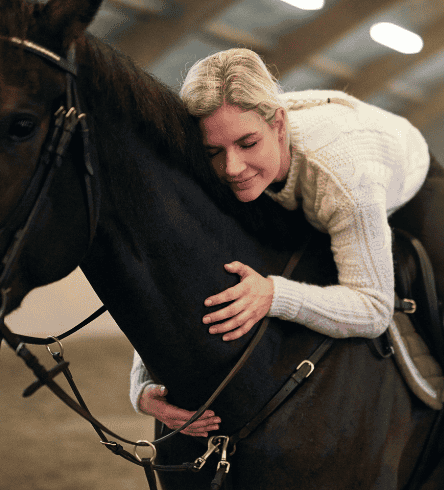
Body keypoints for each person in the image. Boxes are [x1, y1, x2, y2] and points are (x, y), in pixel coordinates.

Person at [130, 48, 444, 437]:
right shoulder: (218, 162)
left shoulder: (345, 176)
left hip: (404, 177)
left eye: (248, 143)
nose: (232, 168)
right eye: (214, 151)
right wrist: (142, 386)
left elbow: (375, 307)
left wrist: (273, 294)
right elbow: (174, 276)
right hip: (303, 189)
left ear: (278, 125)